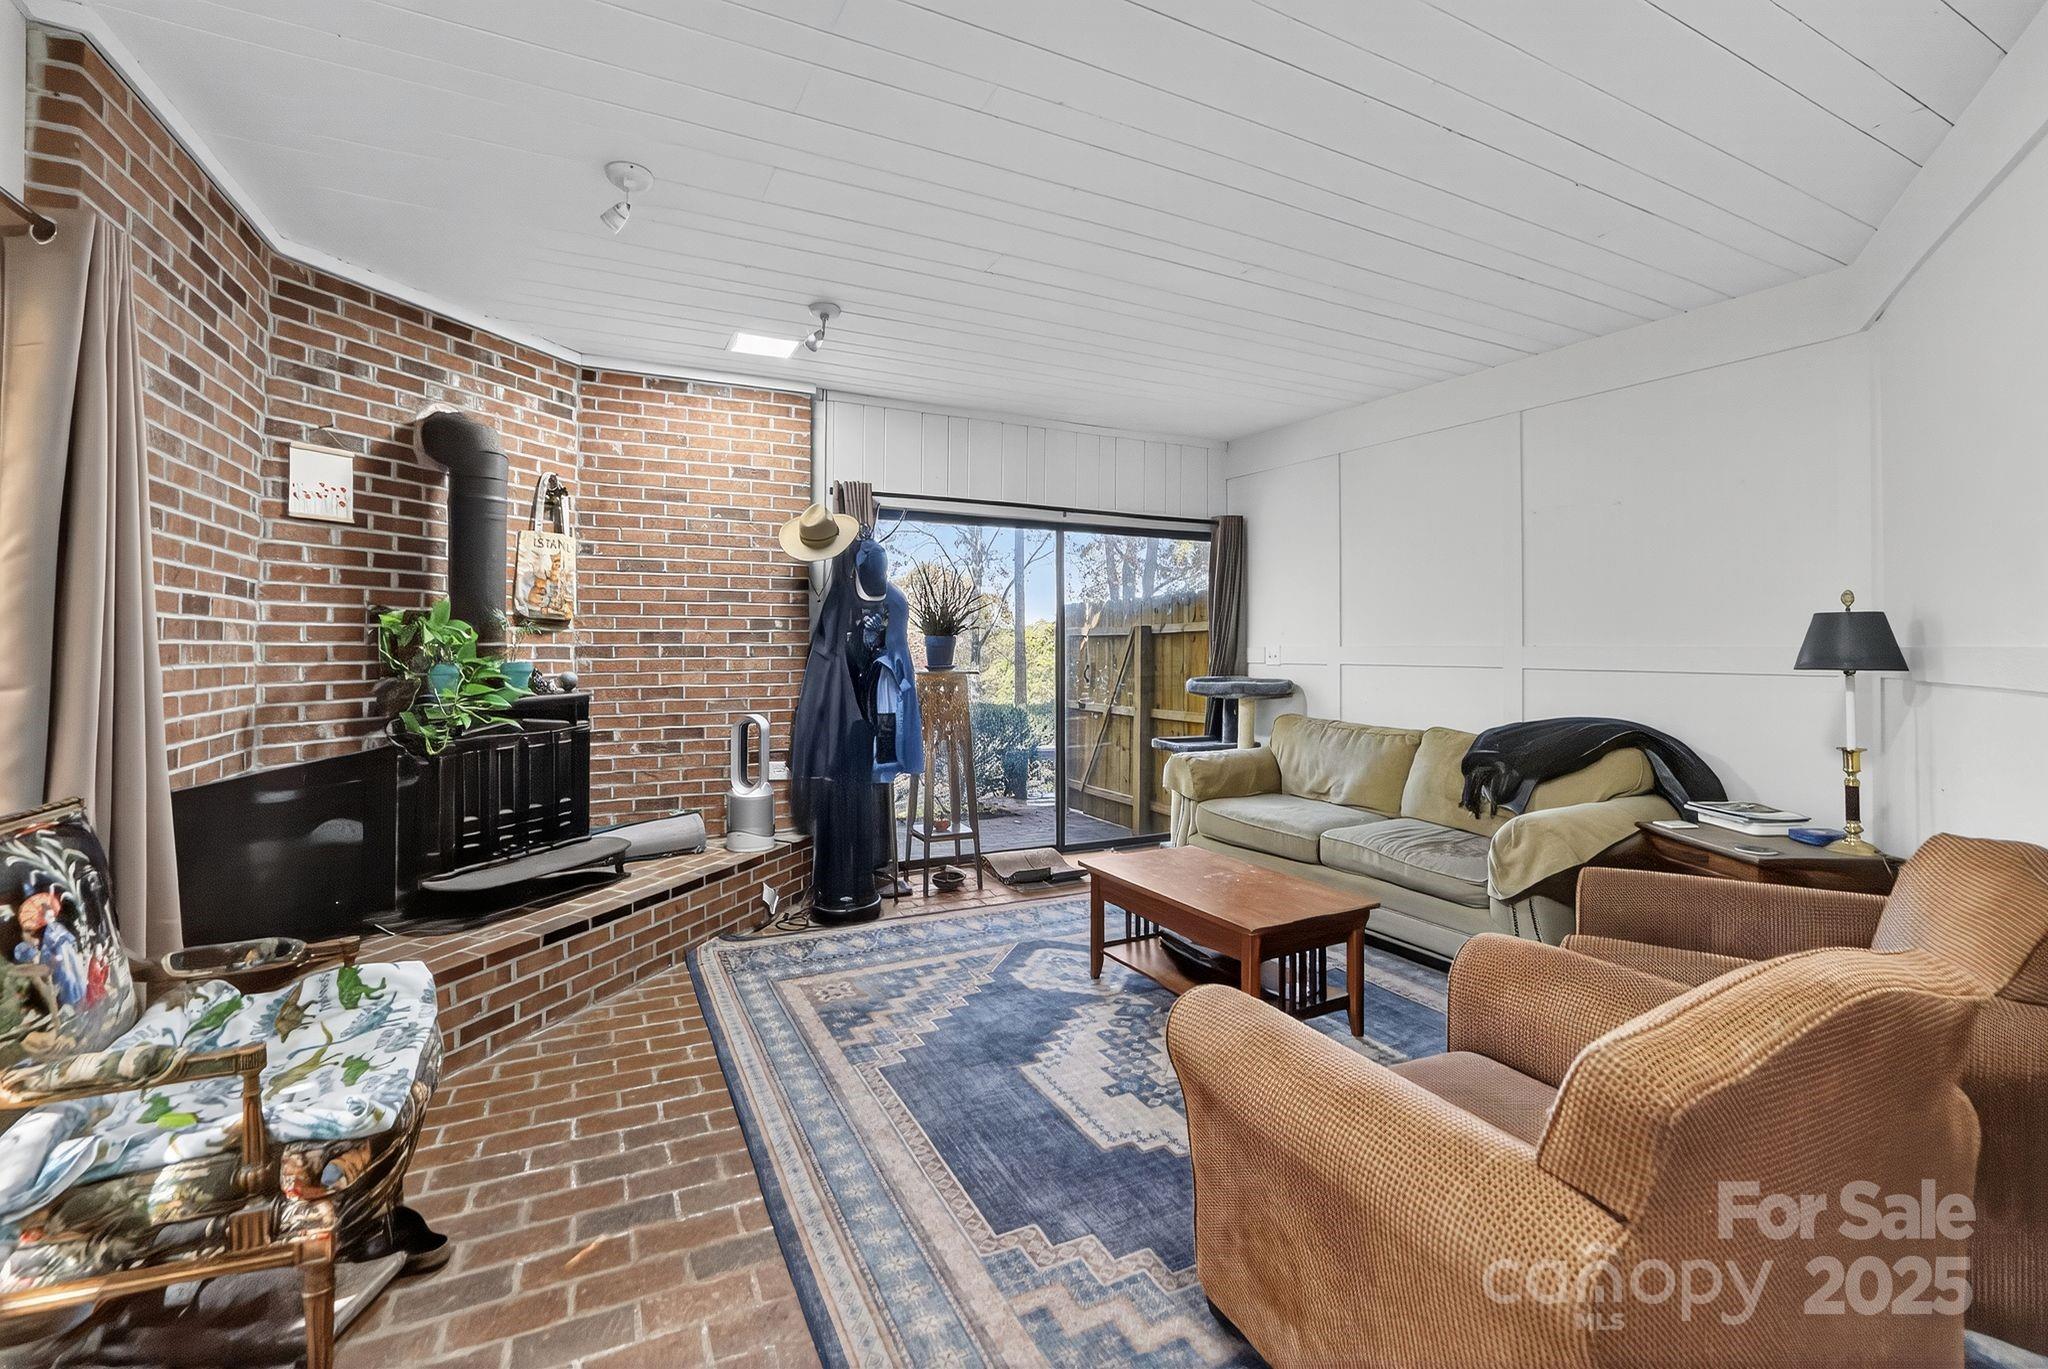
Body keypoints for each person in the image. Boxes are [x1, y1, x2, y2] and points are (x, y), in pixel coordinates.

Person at [11, 887, 91, 1008]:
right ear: (43, 918)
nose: (51, 917)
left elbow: (69, 937)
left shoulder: (58, 926)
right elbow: (47, 949)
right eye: (48, 916)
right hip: (60, 958)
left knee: (76, 974)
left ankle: (81, 998)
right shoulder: (47, 932)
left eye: (51, 914)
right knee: (67, 977)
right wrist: (53, 956)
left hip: (69, 954)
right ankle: (71, 1001)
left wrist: (71, 944)